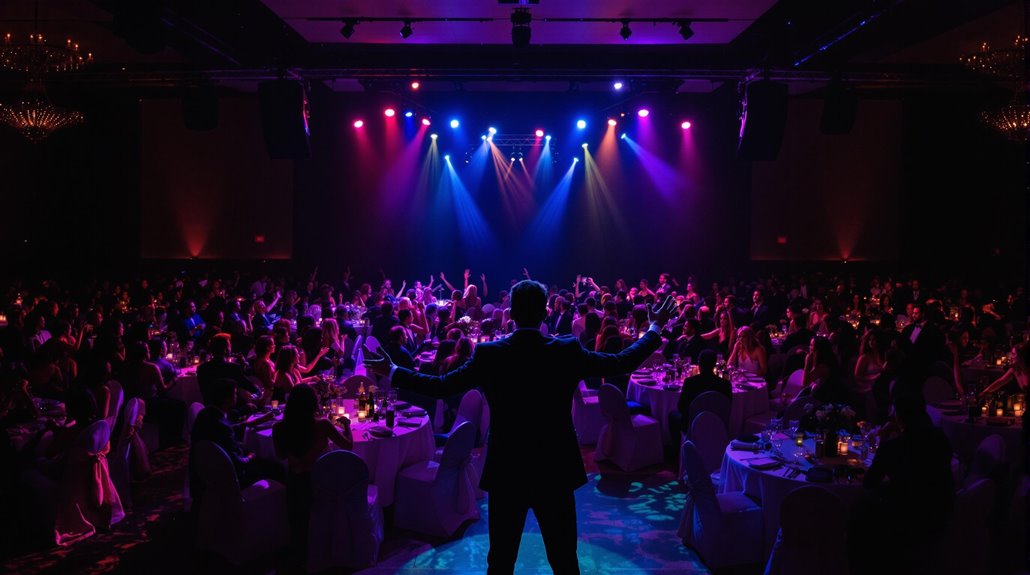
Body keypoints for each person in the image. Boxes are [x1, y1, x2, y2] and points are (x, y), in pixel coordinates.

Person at [364, 280, 675, 575]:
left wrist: (393, 371)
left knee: (500, 562)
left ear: (511, 315)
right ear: (544, 313)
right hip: (554, 468)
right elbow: (620, 362)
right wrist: (655, 327)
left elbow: (442, 385)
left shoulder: (491, 354)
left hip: (507, 469)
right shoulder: (565, 350)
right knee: (564, 560)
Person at [272, 384, 352, 556]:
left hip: (293, 483)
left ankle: (299, 549)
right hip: (319, 483)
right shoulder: (322, 425)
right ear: (312, 404)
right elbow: (348, 446)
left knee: (299, 521)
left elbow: (279, 456)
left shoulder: (278, 428)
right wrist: (347, 426)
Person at [669, 350, 732, 439]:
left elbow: (681, 407)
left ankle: (676, 450)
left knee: (672, 415)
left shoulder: (690, 382)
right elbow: (728, 408)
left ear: (699, 364)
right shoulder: (726, 384)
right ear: (715, 364)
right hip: (717, 423)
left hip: (693, 423)